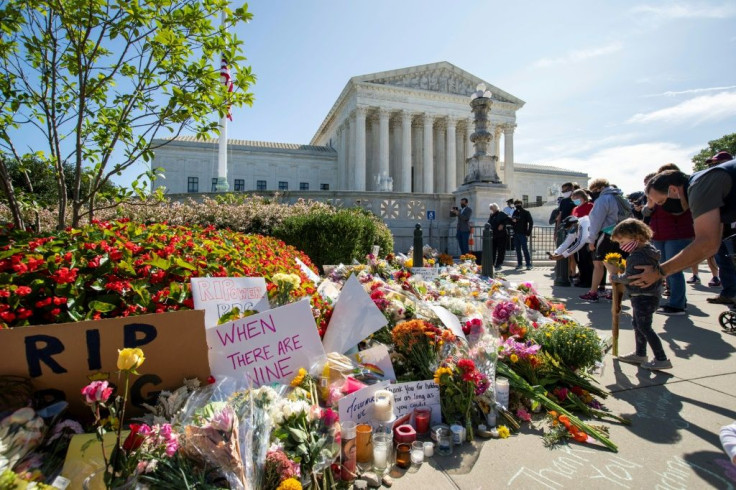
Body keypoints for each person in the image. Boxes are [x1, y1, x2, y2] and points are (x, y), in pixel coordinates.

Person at [632, 163, 736, 293]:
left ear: (674, 190)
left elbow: (707, 243)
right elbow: (712, 245)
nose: (663, 207)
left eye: (661, 202)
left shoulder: (699, 187)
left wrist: (659, 272)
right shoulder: (700, 184)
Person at [603, 219, 672, 370]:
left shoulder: (637, 256)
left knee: (644, 327)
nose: (621, 246)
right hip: (648, 295)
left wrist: (614, 277)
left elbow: (630, 277)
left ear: (637, 237)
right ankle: (640, 354)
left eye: (622, 241)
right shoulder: (649, 251)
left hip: (643, 296)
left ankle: (661, 358)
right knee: (639, 325)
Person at [645, 164, 694, 316]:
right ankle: (674, 300)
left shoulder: (677, 193)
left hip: (677, 234)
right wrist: (651, 204)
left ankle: (677, 304)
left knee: (674, 270)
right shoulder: (655, 195)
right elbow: (647, 213)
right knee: (665, 270)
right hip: (659, 235)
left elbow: (682, 211)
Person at [580, 178, 629, 302]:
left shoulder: (604, 199)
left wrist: (591, 240)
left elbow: (596, 221)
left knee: (602, 265)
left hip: (606, 235)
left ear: (599, 188)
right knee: (617, 265)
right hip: (621, 235)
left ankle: (594, 292)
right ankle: (614, 291)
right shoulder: (621, 198)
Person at [548, 215, 593, 288]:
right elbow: (567, 242)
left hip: (589, 243)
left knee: (586, 263)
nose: (568, 229)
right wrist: (556, 253)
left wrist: (562, 255)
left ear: (573, 224)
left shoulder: (583, 224)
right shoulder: (574, 227)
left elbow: (580, 242)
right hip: (584, 244)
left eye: (569, 227)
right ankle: (583, 280)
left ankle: (588, 282)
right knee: (580, 262)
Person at [511, 199, 533, 270]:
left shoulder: (526, 212)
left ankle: (528, 264)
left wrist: (528, 233)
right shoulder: (515, 212)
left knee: (525, 249)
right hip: (516, 233)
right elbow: (512, 221)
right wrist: (513, 221)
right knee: (517, 250)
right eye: (516, 204)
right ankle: (519, 264)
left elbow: (531, 222)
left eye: (518, 204)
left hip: (523, 233)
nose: (517, 205)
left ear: (521, 204)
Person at [487, 203, 511, 269]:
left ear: (495, 207)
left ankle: (499, 263)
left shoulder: (501, 213)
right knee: (493, 250)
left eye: (492, 207)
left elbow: (508, 219)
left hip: (502, 235)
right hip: (494, 235)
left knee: (501, 250)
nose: (491, 209)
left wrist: (502, 224)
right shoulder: (491, 215)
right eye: (490, 207)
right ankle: (492, 263)